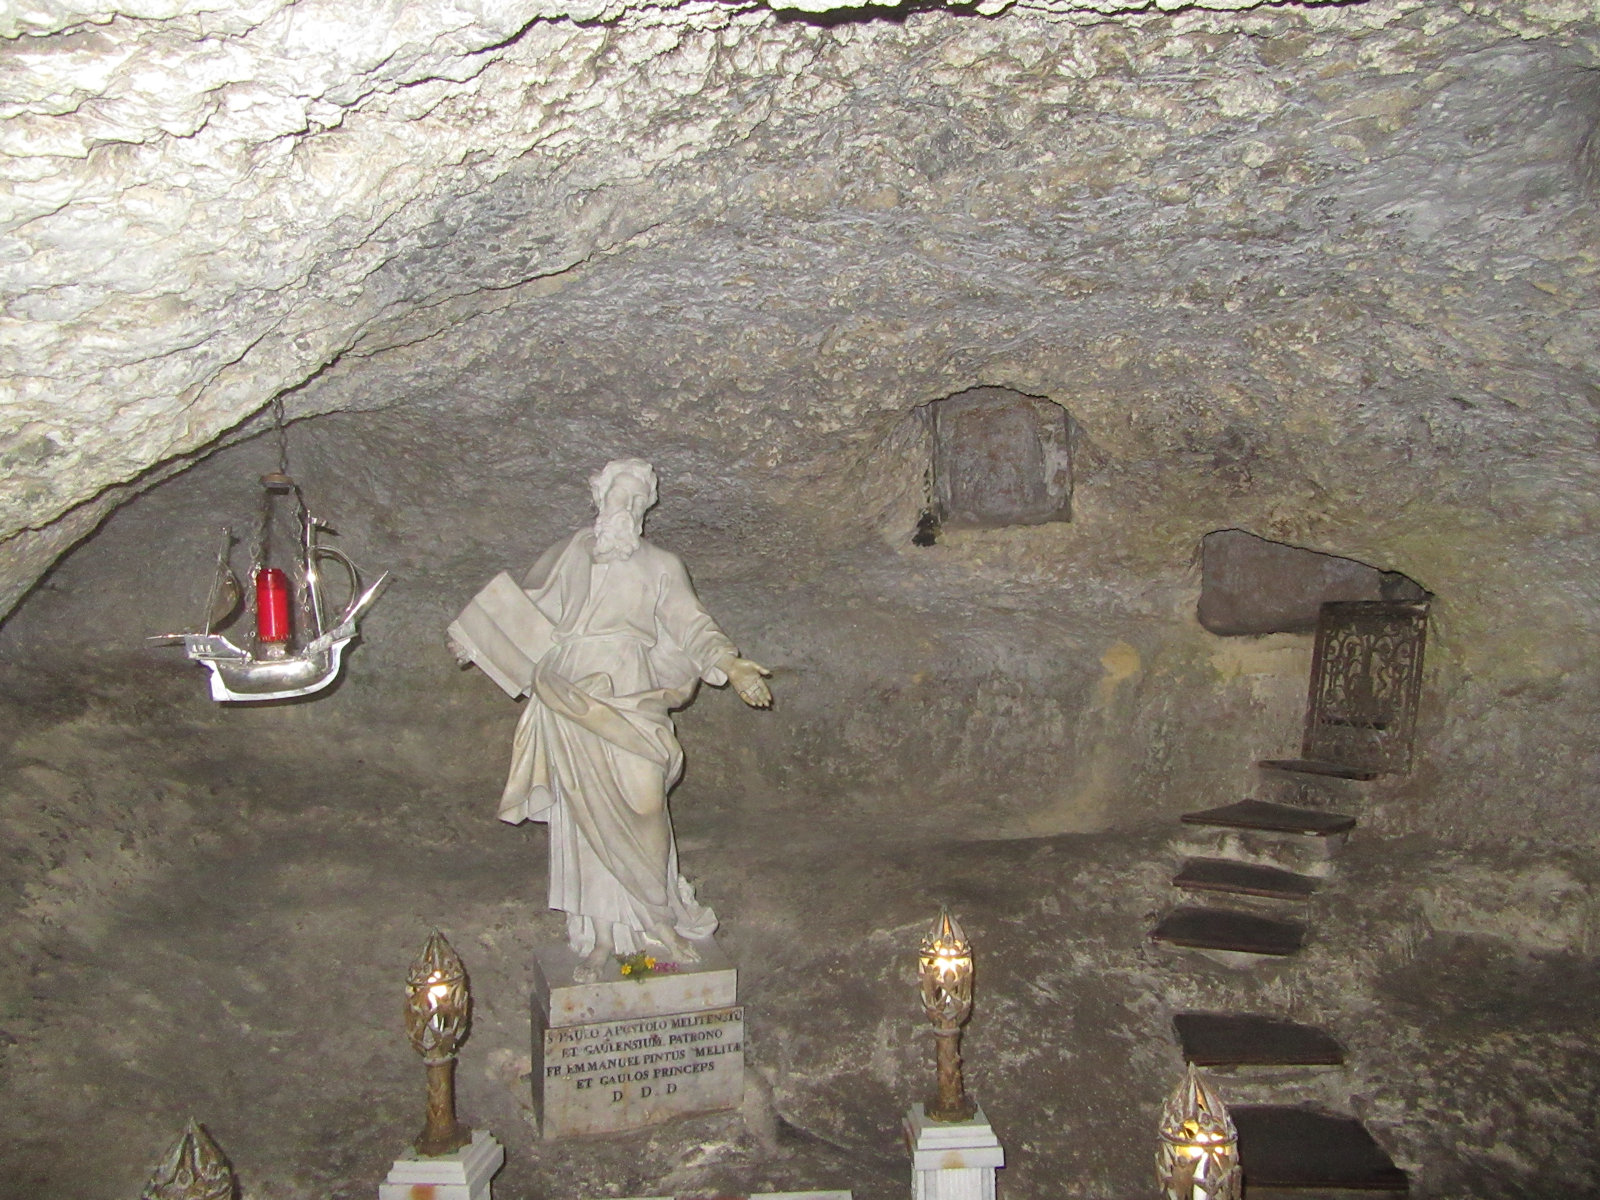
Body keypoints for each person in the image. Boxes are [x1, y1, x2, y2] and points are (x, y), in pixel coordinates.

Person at [463, 459, 771, 982]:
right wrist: (473, 637)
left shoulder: (661, 565)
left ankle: (659, 918)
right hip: (569, 688)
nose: (624, 509)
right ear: (599, 498)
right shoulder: (567, 556)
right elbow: (523, 612)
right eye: (617, 497)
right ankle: (602, 937)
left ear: (646, 510)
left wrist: (730, 663)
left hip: (632, 691)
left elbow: (692, 625)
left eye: (635, 501)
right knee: (583, 816)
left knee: (646, 801)